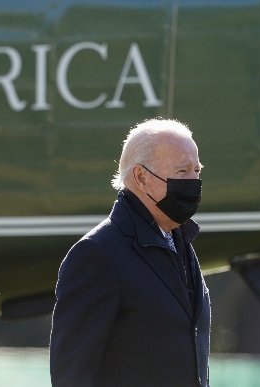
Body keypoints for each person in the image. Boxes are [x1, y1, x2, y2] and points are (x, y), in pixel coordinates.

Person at [49, 118, 210, 387]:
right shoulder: (97, 254)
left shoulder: (180, 242)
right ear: (141, 177)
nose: (194, 181)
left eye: (197, 169)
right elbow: (71, 376)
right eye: (183, 171)